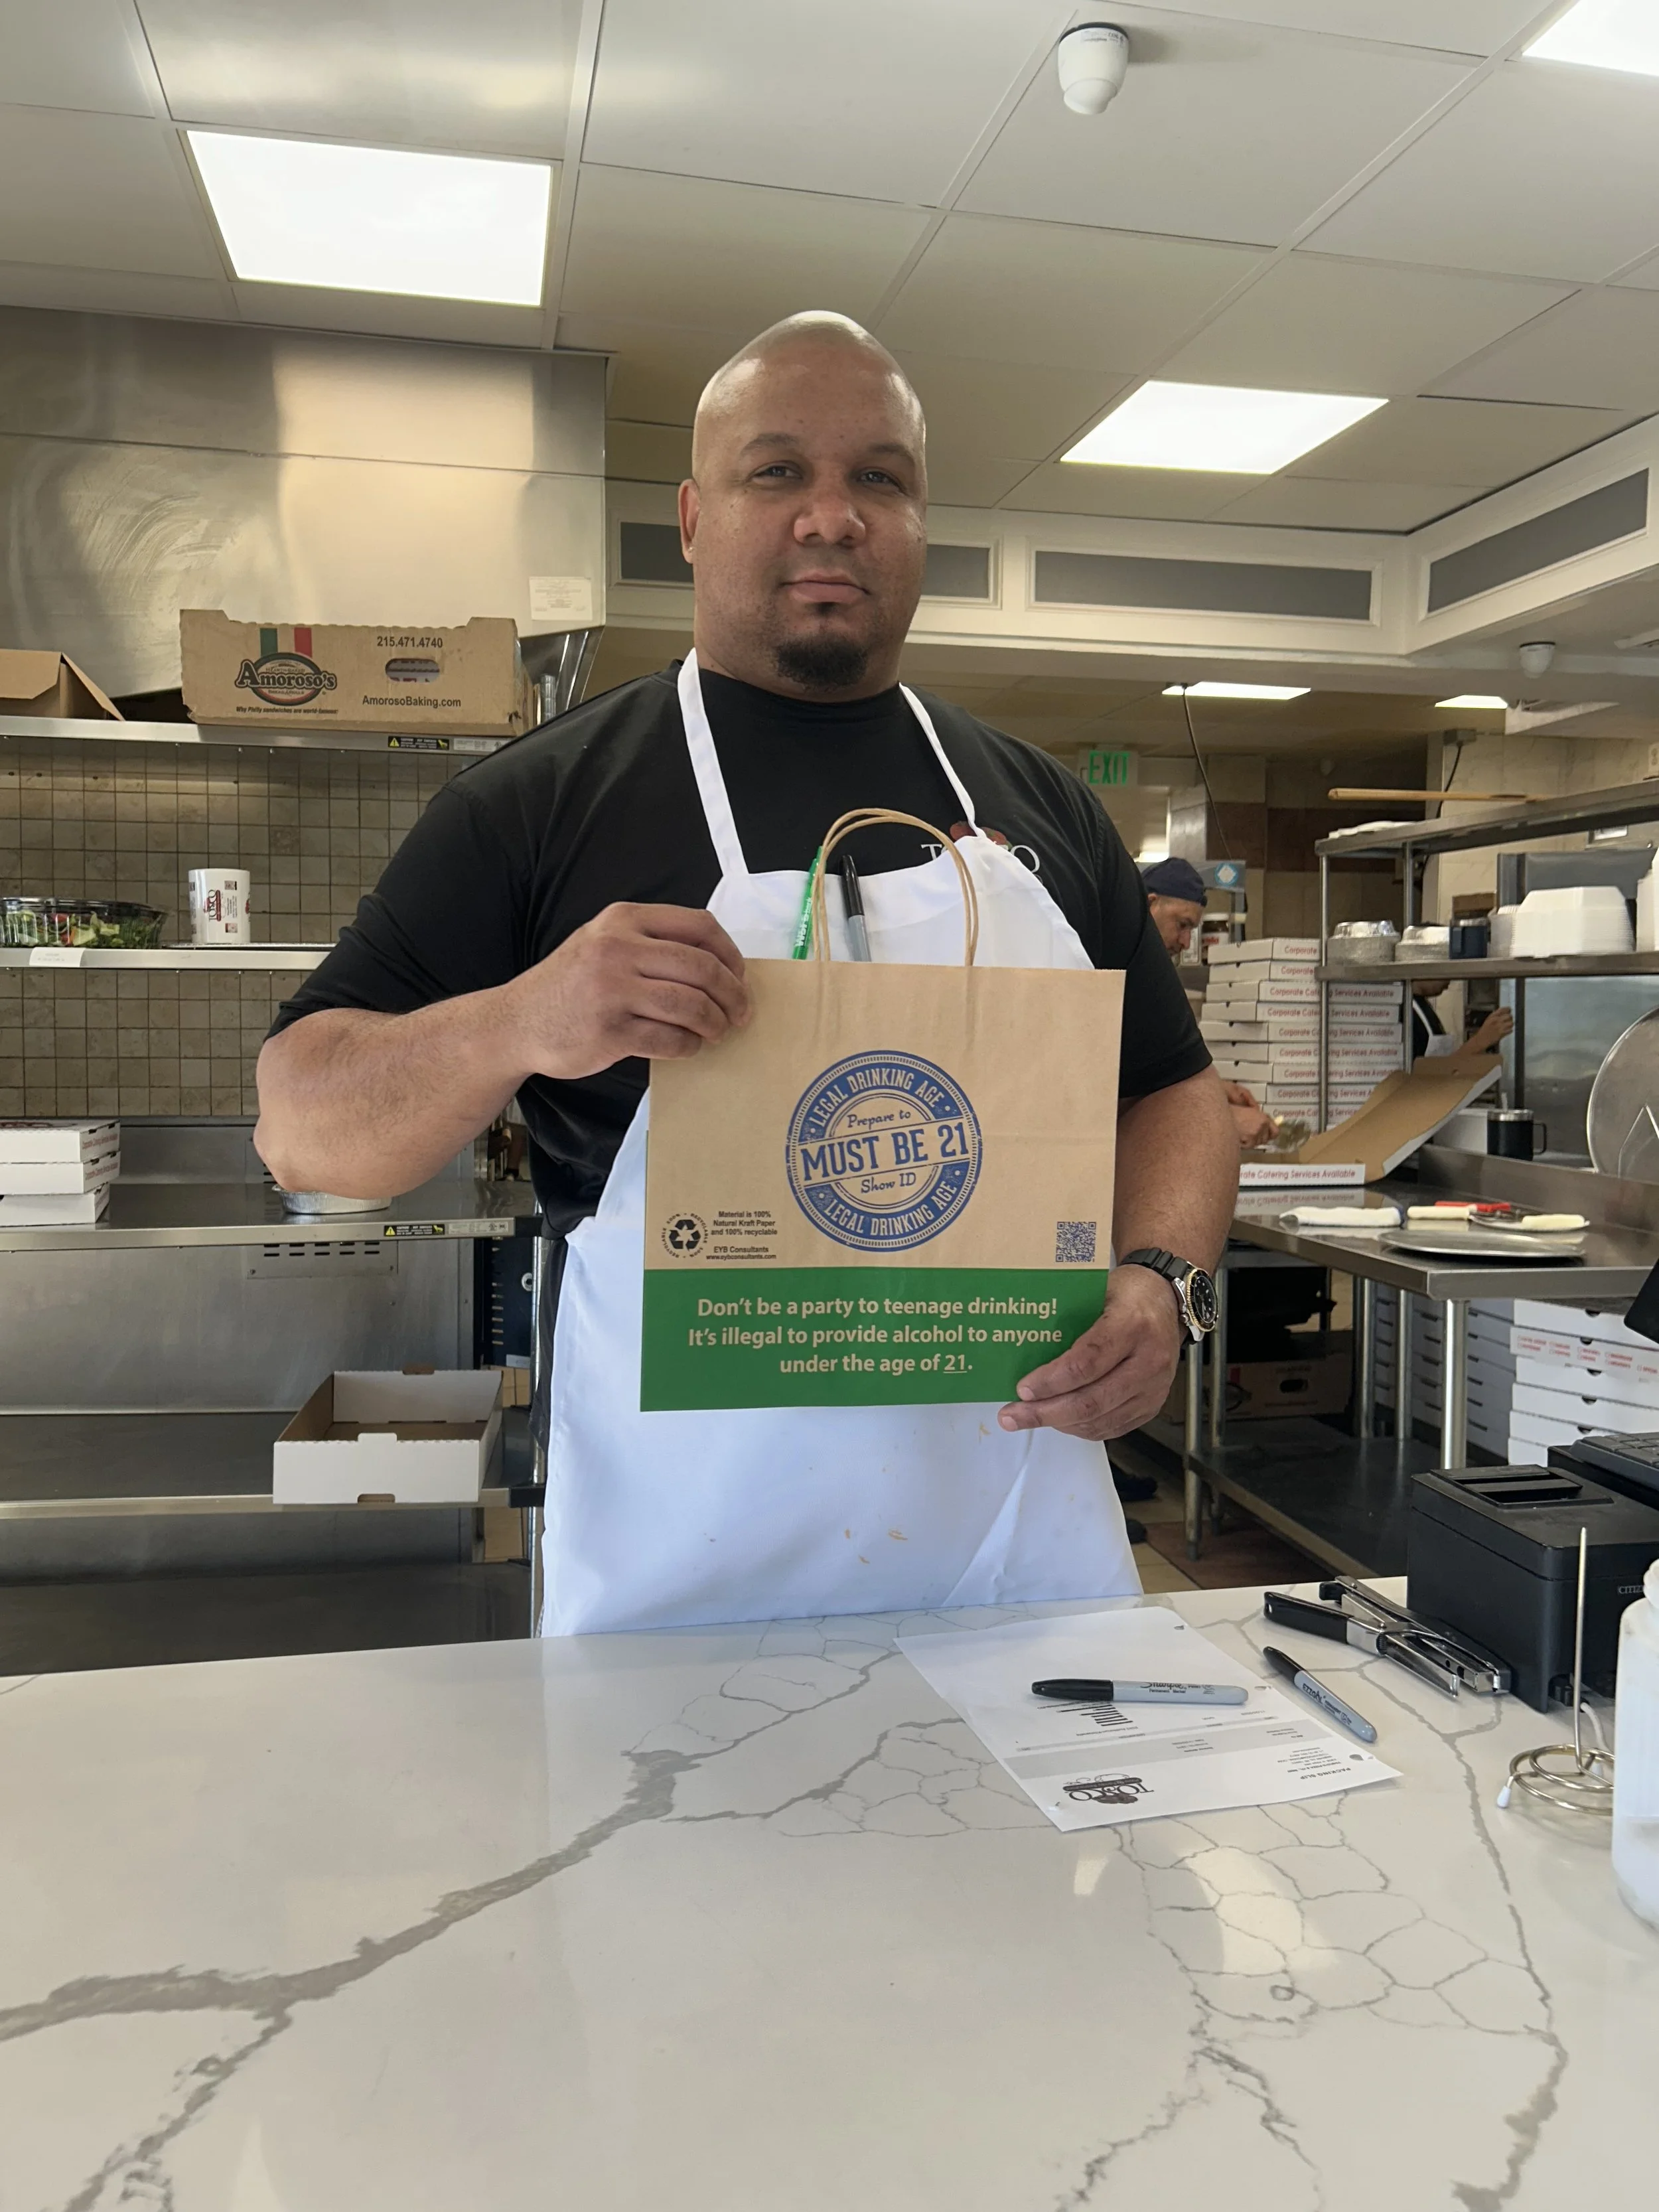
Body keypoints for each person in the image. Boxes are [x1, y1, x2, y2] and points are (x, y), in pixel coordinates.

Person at [255, 311, 1239, 1634]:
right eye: (776, 471)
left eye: (875, 477)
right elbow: (303, 1128)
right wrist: (524, 1019)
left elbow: (1173, 1092)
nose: (830, 516)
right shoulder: (536, 806)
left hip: (1014, 1552)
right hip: (683, 1569)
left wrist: (1159, 1280)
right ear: (692, 516)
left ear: (918, 519)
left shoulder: (1042, 810)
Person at [1141, 857, 1275, 1147]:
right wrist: (1220, 1117)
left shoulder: (1153, 977)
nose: (1187, 942)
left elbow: (1161, 1070)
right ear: (1151, 904)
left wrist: (1212, 1090)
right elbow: (1125, 1087)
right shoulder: (1110, 967)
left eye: (1193, 930)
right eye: (1182, 925)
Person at [1411, 978, 1514, 1063]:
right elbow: (1428, 1076)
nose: (1450, 980)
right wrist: (1481, 1041)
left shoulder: (1422, 1005)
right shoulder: (1405, 1012)